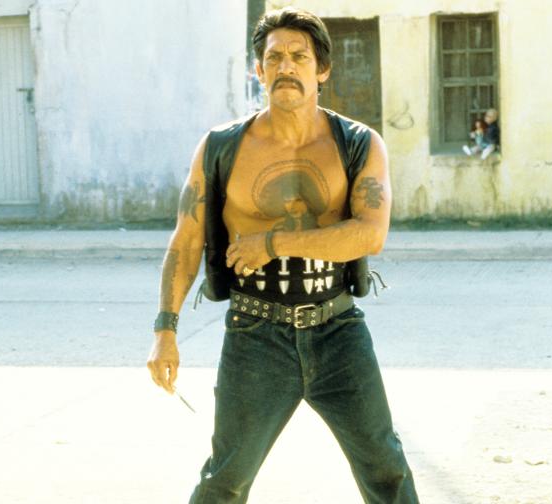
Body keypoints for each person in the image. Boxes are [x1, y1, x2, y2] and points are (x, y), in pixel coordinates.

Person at [147, 7, 420, 503]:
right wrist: (165, 330)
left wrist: (272, 244)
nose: (285, 67)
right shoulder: (221, 147)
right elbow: (186, 239)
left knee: (387, 470)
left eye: (299, 56)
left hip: (337, 329)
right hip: (255, 333)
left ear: (322, 70)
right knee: (225, 479)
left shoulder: (358, 144)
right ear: (259, 70)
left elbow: (369, 235)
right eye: (273, 58)